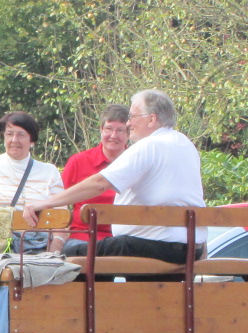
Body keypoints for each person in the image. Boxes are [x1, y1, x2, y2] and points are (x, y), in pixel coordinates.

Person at [25, 89, 205, 263]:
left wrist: (44, 203)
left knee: (68, 254)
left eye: (132, 116)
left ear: (151, 119)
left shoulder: (149, 145)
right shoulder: (185, 144)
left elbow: (99, 183)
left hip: (152, 247)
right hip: (189, 250)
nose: (129, 123)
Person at [0, 111, 65, 252]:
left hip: (38, 246)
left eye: (21, 134)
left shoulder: (49, 171)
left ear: (32, 140)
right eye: (9, 134)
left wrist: (55, 248)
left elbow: (62, 218)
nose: (14, 140)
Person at [61, 104, 130, 251]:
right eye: (109, 129)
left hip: (125, 240)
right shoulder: (78, 162)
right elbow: (58, 200)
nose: (113, 135)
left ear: (129, 134)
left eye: (120, 130)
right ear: (101, 130)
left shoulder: (138, 164)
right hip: (83, 238)